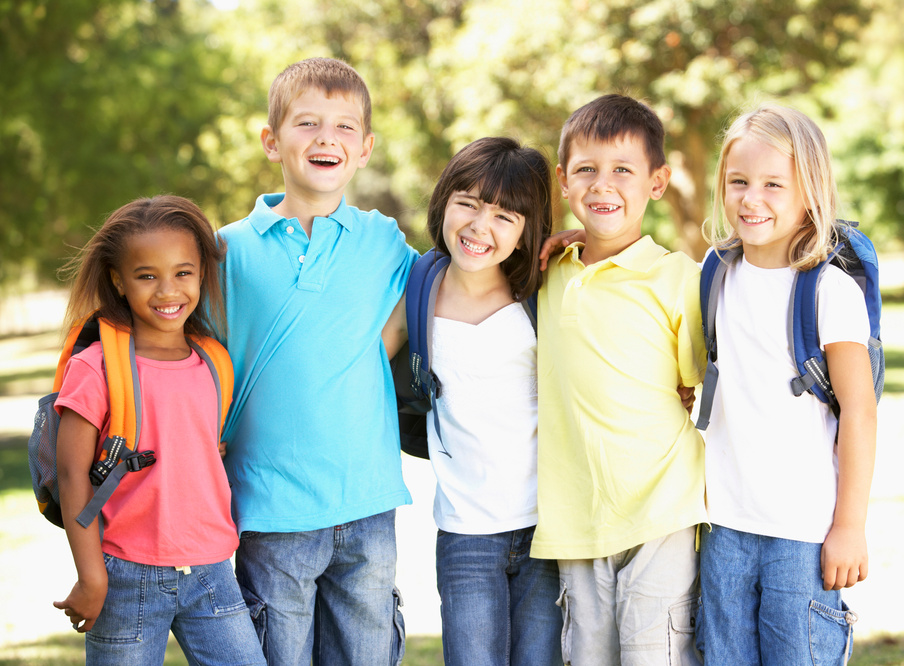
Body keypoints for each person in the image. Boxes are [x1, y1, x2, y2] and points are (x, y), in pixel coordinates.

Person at [217, 57, 416, 665]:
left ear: (365, 148)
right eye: (307, 124)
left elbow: (457, 282)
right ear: (272, 141)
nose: (327, 137)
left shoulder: (384, 242)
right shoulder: (227, 250)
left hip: (368, 504)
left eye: (344, 127)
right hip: (270, 509)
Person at [694, 103, 877, 664]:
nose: (752, 199)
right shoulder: (715, 271)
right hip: (723, 527)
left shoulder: (828, 290)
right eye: (739, 182)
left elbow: (860, 413)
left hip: (802, 534)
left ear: (809, 192)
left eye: (774, 184)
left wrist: (849, 525)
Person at [531, 94, 707, 665]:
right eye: (586, 170)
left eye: (622, 171)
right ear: (563, 180)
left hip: (663, 511)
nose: (602, 185)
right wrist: (547, 244)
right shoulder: (545, 271)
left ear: (657, 182)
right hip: (576, 521)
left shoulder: (679, 277)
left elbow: (701, 385)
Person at [52, 195, 264, 665]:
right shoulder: (95, 368)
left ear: (202, 274)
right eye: (147, 275)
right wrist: (91, 577)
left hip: (211, 569)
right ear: (118, 280)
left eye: (183, 272)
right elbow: (71, 475)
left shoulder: (214, 361)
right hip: (125, 574)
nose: (168, 291)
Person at [419, 137, 561, 665]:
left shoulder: (542, 292)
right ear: (444, 203)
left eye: (505, 216)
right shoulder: (417, 289)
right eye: (469, 203)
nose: (481, 227)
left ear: (528, 232)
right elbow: (360, 371)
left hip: (545, 526)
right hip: (465, 534)